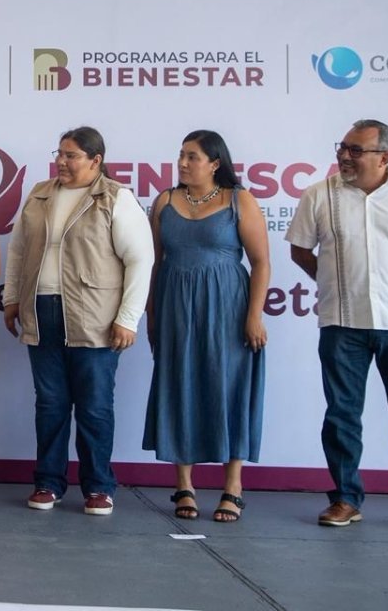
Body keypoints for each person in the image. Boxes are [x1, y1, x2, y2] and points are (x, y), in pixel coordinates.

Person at [3, 126, 153, 516]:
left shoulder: (116, 199)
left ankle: (99, 487)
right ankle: (48, 483)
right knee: (50, 404)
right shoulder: (39, 194)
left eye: (71, 155)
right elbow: (18, 250)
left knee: (94, 406)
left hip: (96, 319)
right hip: (42, 311)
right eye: (60, 153)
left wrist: (128, 318)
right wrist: (13, 298)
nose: (61, 162)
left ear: (95, 161)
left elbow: (141, 260)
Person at [143, 131, 269, 523]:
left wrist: (254, 315)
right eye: (180, 155)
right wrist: (149, 314)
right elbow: (154, 262)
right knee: (179, 384)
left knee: (228, 386)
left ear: (215, 163)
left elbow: (261, 262)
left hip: (227, 307)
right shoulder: (164, 201)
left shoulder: (239, 200)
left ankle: (233, 486)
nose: (182, 163)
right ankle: (184, 484)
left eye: (192, 157)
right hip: (174, 306)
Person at [287, 119, 388, 527]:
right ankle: (345, 498)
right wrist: (333, 283)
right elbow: (300, 250)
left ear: (383, 157)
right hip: (341, 322)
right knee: (341, 416)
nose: (344, 156)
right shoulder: (319, 195)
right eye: (343, 147)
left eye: (356, 150)